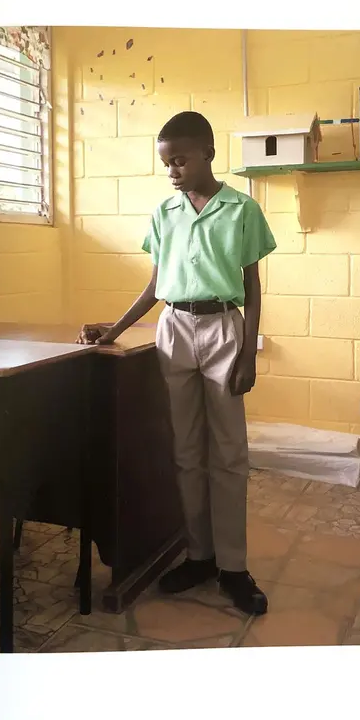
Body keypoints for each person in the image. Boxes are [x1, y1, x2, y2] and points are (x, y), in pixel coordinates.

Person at [78, 110, 276, 616]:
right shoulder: (165, 212)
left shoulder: (242, 210)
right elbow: (155, 283)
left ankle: (233, 566)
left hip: (223, 329)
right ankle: (200, 555)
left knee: (228, 452)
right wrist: (115, 329)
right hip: (175, 329)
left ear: (209, 153)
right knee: (186, 451)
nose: (172, 171)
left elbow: (252, 287)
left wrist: (248, 351)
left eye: (180, 160)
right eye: (166, 163)